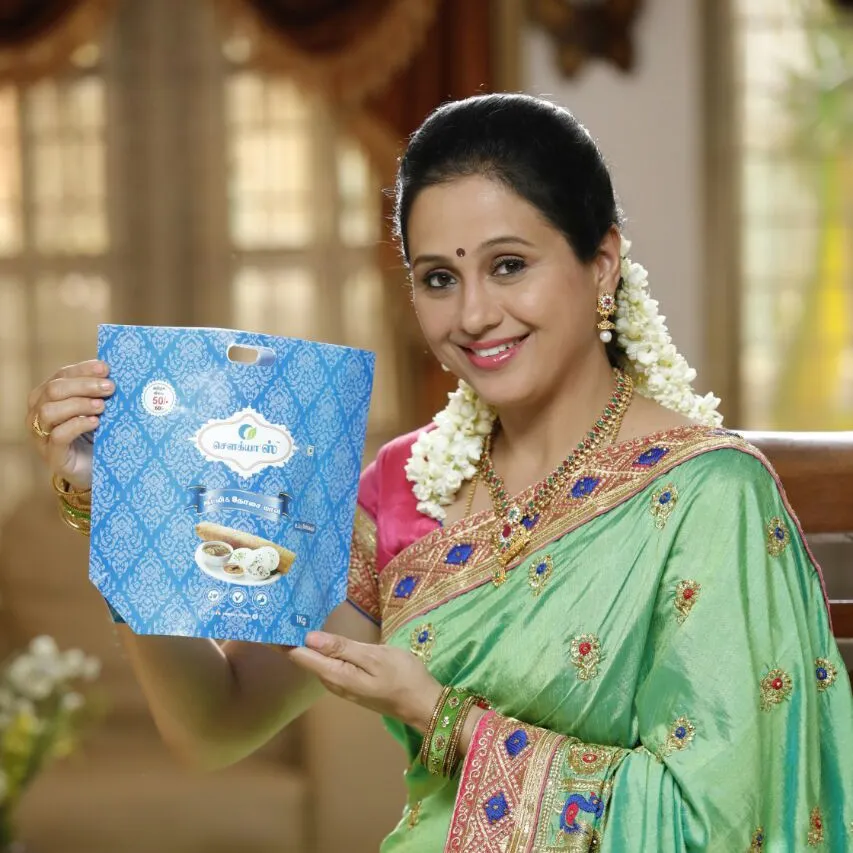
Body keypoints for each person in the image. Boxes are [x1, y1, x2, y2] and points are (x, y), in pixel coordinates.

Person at [26, 93, 853, 851]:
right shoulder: (403, 488)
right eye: (438, 278)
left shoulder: (712, 496)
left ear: (601, 263)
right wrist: (119, 504)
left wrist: (441, 714)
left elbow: (729, 820)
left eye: (508, 264)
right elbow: (217, 723)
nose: (473, 315)